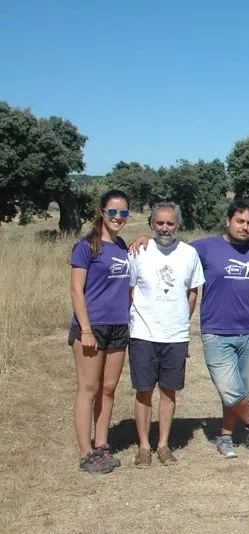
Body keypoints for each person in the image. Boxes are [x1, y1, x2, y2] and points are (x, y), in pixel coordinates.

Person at [191, 200, 249, 458]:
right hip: (216, 331)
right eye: (240, 221)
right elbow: (173, 251)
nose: (245, 227)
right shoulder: (205, 248)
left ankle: (226, 436)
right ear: (228, 221)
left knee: (243, 393)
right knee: (229, 388)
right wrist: (145, 239)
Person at [127, 201, 204, 467]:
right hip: (143, 333)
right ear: (152, 224)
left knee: (169, 391)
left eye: (170, 223)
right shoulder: (139, 251)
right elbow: (131, 290)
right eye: (159, 223)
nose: (164, 228)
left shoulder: (189, 254)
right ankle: (144, 447)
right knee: (144, 390)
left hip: (175, 335)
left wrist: (182, 319)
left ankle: (163, 445)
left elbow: (193, 291)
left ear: (177, 225)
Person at [69, 189, 132, 474]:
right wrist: (85, 330)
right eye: (113, 212)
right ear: (101, 212)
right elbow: (76, 290)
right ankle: (86, 452)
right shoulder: (86, 247)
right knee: (89, 389)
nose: (118, 217)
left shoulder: (122, 246)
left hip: (119, 326)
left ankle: (102, 444)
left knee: (108, 389)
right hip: (92, 326)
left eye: (123, 213)